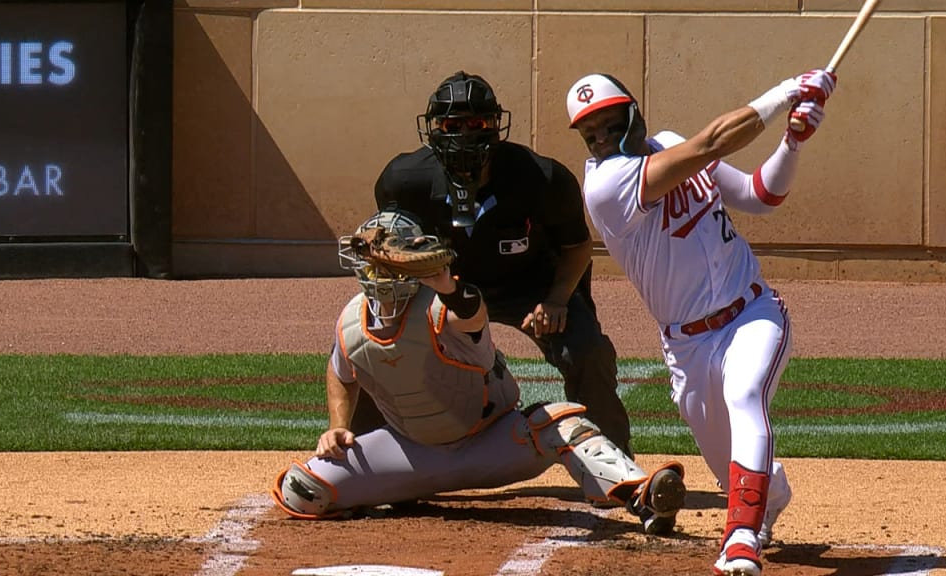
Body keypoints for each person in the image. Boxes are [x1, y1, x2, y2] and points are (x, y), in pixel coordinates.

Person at [562, 69, 836, 576]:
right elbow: (712, 140)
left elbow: (760, 195)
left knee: (745, 396)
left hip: (753, 313)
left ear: (631, 111)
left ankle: (740, 538)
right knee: (733, 468)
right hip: (686, 349)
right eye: (588, 131)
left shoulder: (666, 143)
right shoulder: (606, 185)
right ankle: (767, 495)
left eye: (605, 122)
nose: (598, 137)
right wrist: (786, 92)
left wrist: (792, 143)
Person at [271, 208, 686, 535]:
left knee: (562, 423)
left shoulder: (444, 309)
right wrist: (337, 426)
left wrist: (447, 286)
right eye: (376, 259)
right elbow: (341, 371)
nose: (381, 269)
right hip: (409, 453)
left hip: (491, 443)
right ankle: (388, 493)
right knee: (301, 489)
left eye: (391, 257)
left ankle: (642, 495)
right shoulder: (349, 320)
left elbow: (472, 314)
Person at [364, 71, 632, 459]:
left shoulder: (542, 177)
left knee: (585, 350)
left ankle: (614, 458)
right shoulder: (403, 181)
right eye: (453, 125)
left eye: (476, 124)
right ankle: (364, 455)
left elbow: (576, 245)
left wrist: (557, 300)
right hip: (444, 288)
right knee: (380, 342)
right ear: (434, 129)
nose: (464, 135)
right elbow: (389, 243)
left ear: (495, 126)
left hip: (530, 286)